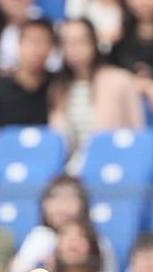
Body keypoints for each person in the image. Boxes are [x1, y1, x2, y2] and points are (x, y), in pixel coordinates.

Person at [48, 18, 145, 169]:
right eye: (67, 42)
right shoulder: (57, 89)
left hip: (114, 166)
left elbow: (138, 133)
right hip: (72, 171)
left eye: (81, 41)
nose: (74, 48)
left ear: (94, 43)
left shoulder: (120, 80)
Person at [0, 17, 57, 159]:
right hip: (3, 161)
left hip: (45, 159)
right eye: (32, 41)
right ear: (19, 44)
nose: (37, 48)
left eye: (43, 42)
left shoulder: (58, 86)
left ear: (52, 47)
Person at [8, 173, 117, 272]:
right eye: (53, 197)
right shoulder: (41, 237)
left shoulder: (97, 241)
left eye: (69, 197)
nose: (61, 205)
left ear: (83, 203)